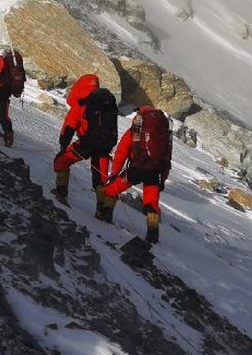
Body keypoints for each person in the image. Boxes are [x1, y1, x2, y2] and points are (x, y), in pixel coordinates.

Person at [98, 105, 172, 243]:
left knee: (111, 191)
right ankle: (152, 236)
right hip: (154, 173)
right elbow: (166, 159)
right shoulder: (164, 133)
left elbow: (121, 152)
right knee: (151, 204)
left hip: (135, 170)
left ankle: (105, 216)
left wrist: (114, 173)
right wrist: (162, 179)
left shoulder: (136, 130)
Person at [52, 75, 119, 219]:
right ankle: (102, 212)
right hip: (104, 147)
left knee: (61, 161)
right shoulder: (107, 102)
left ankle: (61, 193)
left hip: (86, 144)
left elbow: (69, 127)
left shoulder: (82, 102)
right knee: (101, 180)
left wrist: (63, 145)